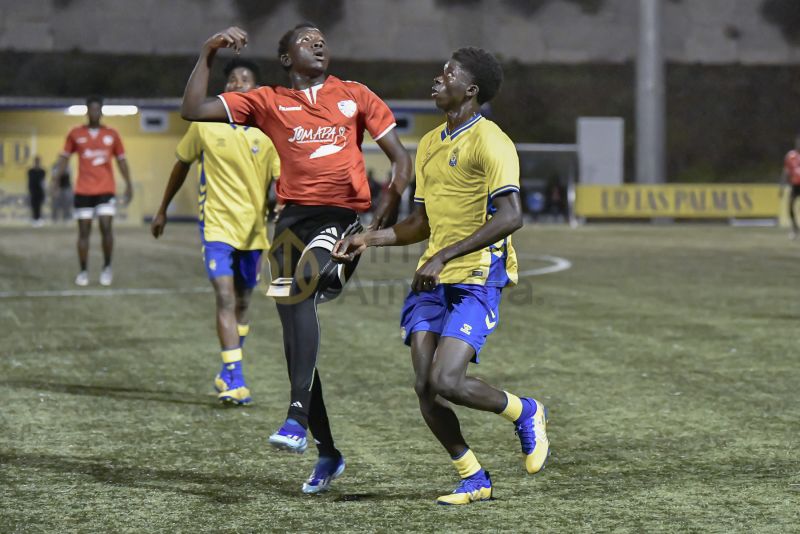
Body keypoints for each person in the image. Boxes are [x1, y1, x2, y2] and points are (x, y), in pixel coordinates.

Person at [180, 23, 412, 493]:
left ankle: (295, 417)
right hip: (290, 223)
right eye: (306, 40)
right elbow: (193, 109)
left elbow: (401, 163)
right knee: (294, 338)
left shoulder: (354, 94)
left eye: (321, 38)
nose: (318, 42)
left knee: (304, 287)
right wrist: (207, 52)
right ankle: (328, 452)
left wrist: (376, 223)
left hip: (340, 218)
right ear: (286, 58)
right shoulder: (267, 101)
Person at [333, 47, 550, 505]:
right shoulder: (430, 143)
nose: (437, 79)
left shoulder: (492, 142)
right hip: (432, 279)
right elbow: (420, 223)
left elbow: (511, 215)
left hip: (476, 275)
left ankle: (524, 410)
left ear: (470, 90)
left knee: (447, 381)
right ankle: (474, 477)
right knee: (425, 387)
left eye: (448, 74)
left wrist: (444, 256)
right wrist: (368, 238)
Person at [151, 58, 280, 406]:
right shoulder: (205, 126)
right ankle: (235, 378)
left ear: (257, 90)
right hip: (217, 228)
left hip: (253, 233)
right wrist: (162, 209)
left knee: (243, 302)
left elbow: (279, 182)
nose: (237, 83)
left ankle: (227, 370)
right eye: (233, 79)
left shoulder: (268, 135)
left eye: (245, 79)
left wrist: (279, 202)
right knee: (224, 297)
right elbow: (181, 165)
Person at [53, 95, 133, 286]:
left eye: (97, 109)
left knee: (106, 227)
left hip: (106, 189)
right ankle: (83, 271)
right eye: (91, 109)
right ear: (87, 111)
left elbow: (121, 160)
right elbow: (64, 158)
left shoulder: (112, 134)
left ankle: (107, 267)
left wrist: (128, 184)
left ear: (101, 111)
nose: (94, 112)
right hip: (83, 190)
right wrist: (55, 180)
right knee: (84, 232)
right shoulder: (75, 133)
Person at [781, 136, 800, 239]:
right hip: (795, 185)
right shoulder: (791, 156)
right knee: (790, 206)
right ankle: (795, 228)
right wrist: (782, 186)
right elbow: (786, 171)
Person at [27, 156, 46, 226]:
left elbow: (42, 181)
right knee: (33, 205)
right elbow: (30, 181)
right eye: (36, 161)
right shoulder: (30, 171)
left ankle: (39, 219)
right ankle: (34, 218)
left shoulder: (42, 171)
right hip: (33, 191)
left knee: (39, 205)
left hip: (40, 191)